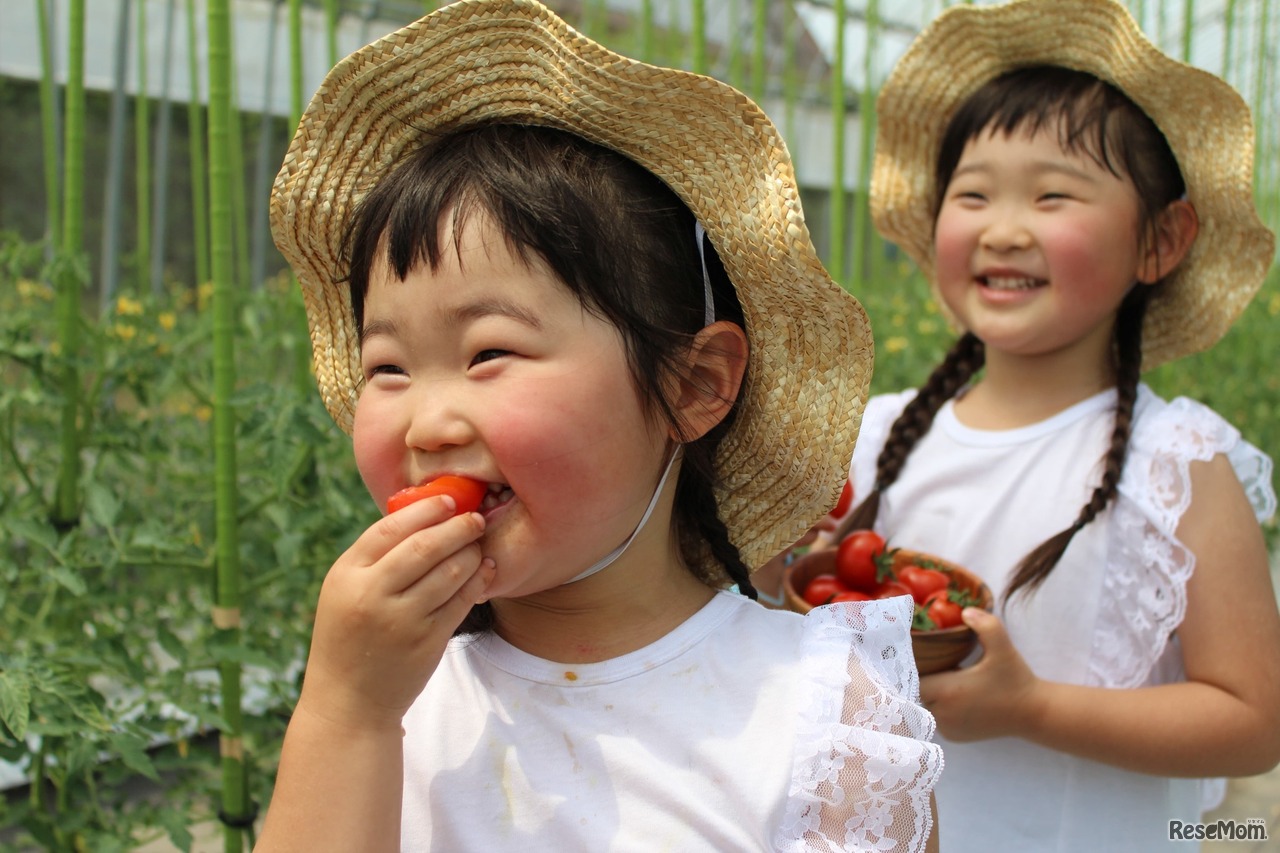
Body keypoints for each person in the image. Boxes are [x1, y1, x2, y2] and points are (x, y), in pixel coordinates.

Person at [258, 1, 942, 850]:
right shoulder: (386, 694)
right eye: (387, 367)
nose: (426, 424)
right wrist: (346, 712)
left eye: (489, 351)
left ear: (693, 385)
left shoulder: (824, 721)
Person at [784, 0, 1280, 850]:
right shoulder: (873, 436)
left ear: (1161, 241)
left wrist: (1031, 708)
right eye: (973, 194)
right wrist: (779, 564)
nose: (1004, 228)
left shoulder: (1179, 465)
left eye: (1054, 195)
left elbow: (1254, 720)